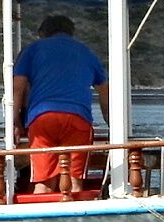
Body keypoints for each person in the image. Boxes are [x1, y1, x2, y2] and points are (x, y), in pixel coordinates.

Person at [9, 12, 106, 193]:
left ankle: (40, 218)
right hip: (78, 117)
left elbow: (17, 87)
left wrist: (14, 122)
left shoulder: (32, 50)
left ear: (43, 33)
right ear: (71, 32)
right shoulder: (87, 52)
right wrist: (111, 122)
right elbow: (105, 91)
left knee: (43, 181)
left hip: (42, 117)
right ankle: (76, 216)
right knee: (73, 180)